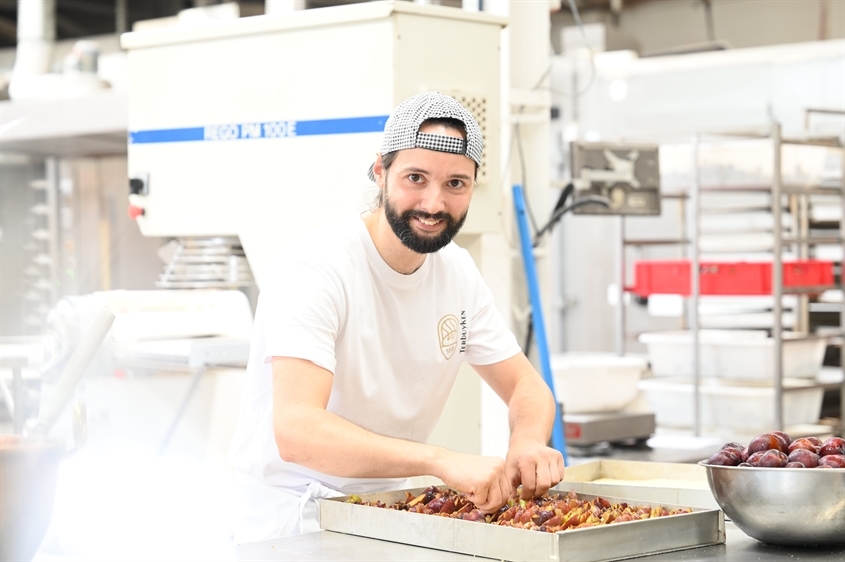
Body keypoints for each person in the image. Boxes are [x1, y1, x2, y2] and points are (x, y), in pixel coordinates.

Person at [228, 92, 564, 543]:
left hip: (389, 520)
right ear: (380, 172)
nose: (434, 203)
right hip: (294, 525)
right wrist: (440, 460)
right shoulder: (318, 267)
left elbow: (526, 385)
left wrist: (527, 440)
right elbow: (297, 430)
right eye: (415, 177)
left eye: (455, 184)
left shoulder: (456, 271)